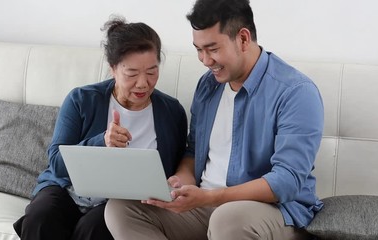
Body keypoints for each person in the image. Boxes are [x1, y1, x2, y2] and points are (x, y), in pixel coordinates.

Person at [104, 0, 324, 239]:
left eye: (212, 49)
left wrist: (211, 197)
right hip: (207, 206)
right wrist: (179, 183)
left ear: (242, 39)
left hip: (273, 211)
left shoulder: (295, 92)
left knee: (227, 219)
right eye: (199, 50)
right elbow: (193, 151)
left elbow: (287, 181)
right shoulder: (208, 85)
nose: (205, 60)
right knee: (120, 209)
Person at [13, 16, 187, 240]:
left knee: (96, 229)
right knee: (40, 217)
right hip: (66, 191)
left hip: (119, 204)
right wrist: (101, 142)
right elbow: (56, 162)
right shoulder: (81, 99)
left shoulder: (172, 112)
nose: (143, 83)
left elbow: (175, 169)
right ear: (113, 69)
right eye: (132, 73)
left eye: (152, 72)